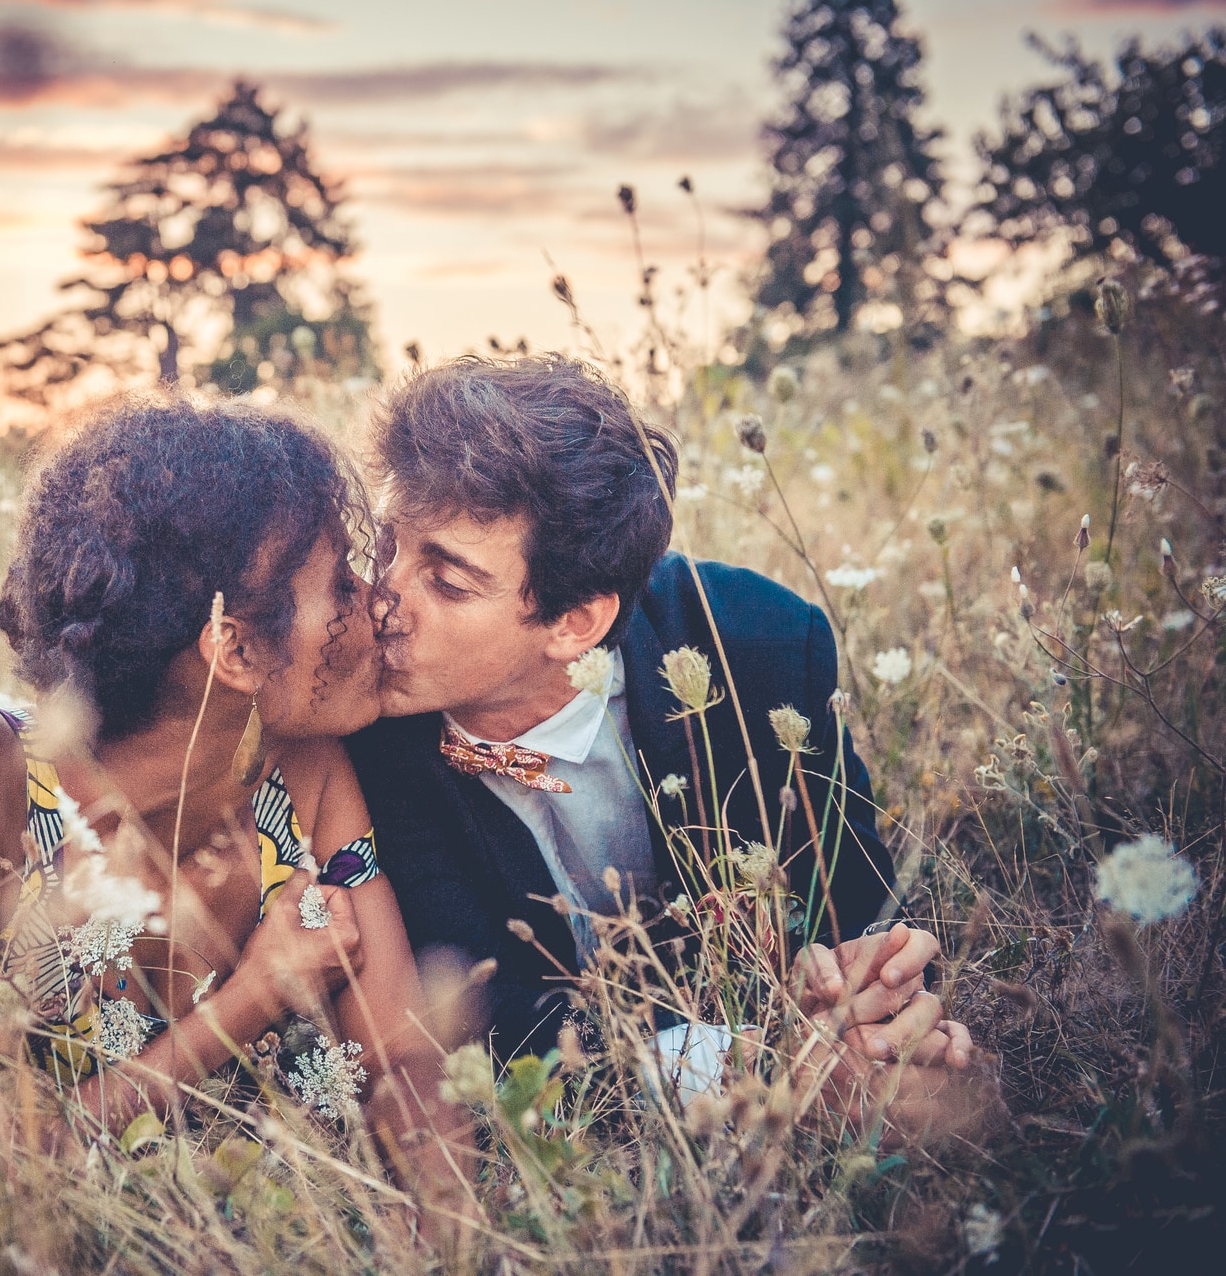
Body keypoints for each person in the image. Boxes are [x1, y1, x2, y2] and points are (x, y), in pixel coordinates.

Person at [0, 402, 468, 1216]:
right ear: (235, 649)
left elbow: (405, 1060)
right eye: (341, 582)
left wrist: (453, 1221)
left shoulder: (307, 775)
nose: (375, 602)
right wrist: (245, 1003)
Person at [345, 354, 991, 1143]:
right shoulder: (368, 724)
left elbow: (856, 901)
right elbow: (474, 1011)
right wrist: (756, 1069)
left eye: (445, 581)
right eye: (385, 545)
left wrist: (881, 1007)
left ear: (575, 622)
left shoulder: (765, 648)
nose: (381, 597)